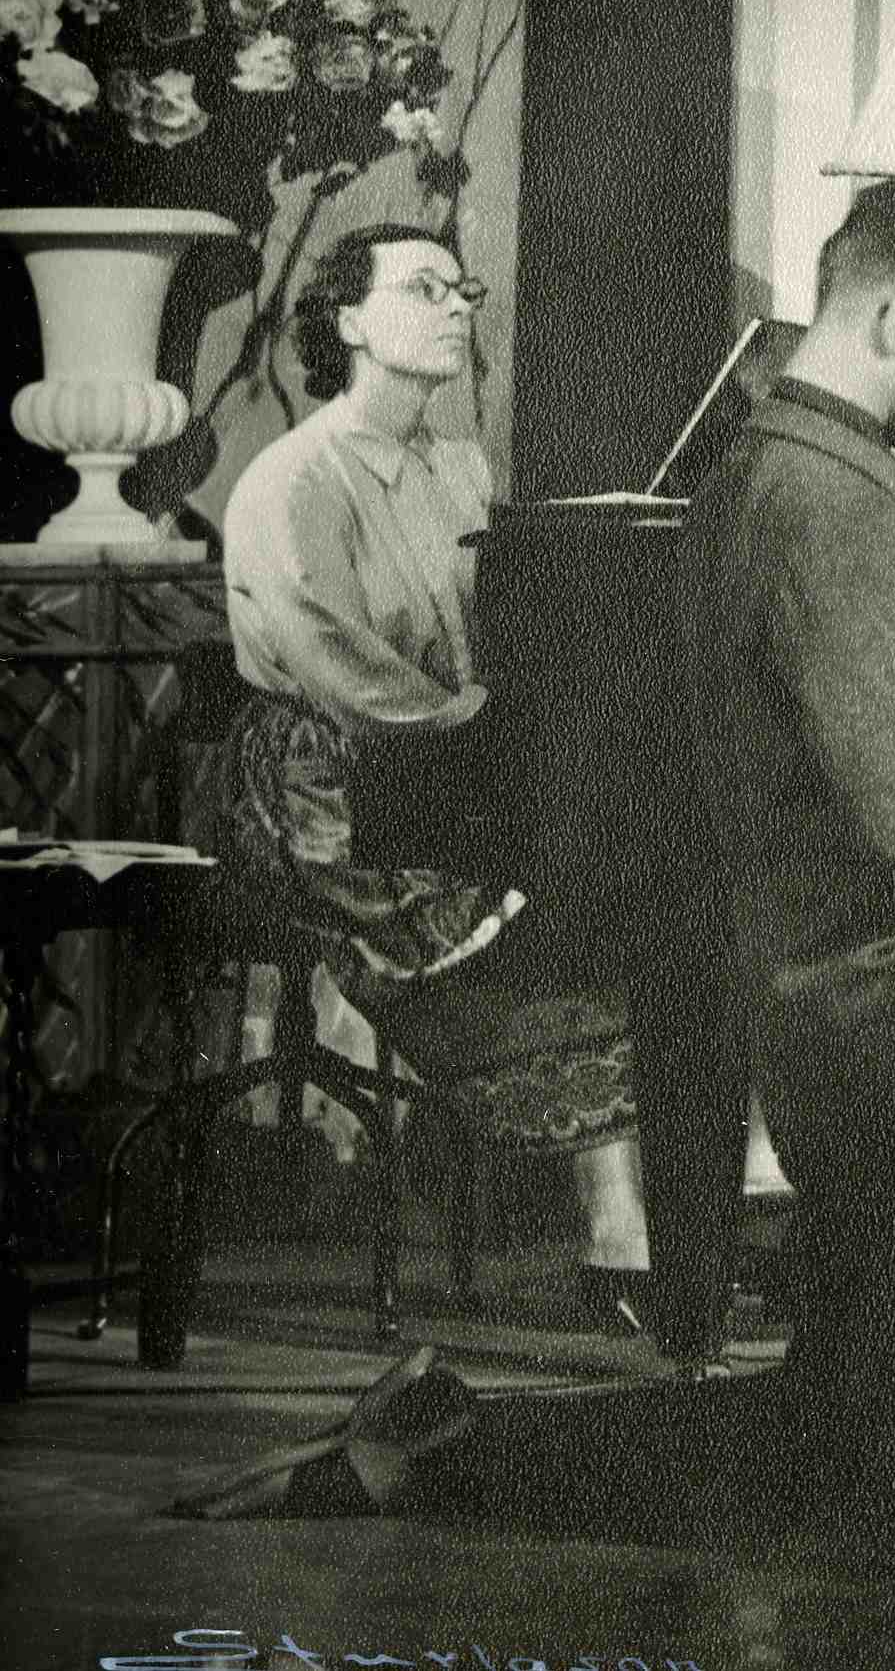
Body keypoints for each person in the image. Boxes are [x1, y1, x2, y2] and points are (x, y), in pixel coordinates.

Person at [173, 177, 895, 1611]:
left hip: (875, 1007)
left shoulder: (798, 472)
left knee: (846, 1453)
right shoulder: (824, 500)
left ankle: (434, 1445)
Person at [183, 222, 653, 1330]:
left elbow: (494, 627)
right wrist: (478, 730)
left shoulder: (461, 465)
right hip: (315, 782)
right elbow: (333, 661)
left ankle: (639, 1222)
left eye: (463, 290)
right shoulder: (292, 476)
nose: (456, 310)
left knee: (605, 891)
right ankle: (621, 1234)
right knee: (489, 915)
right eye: (424, 289)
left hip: (443, 758)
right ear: (349, 320)